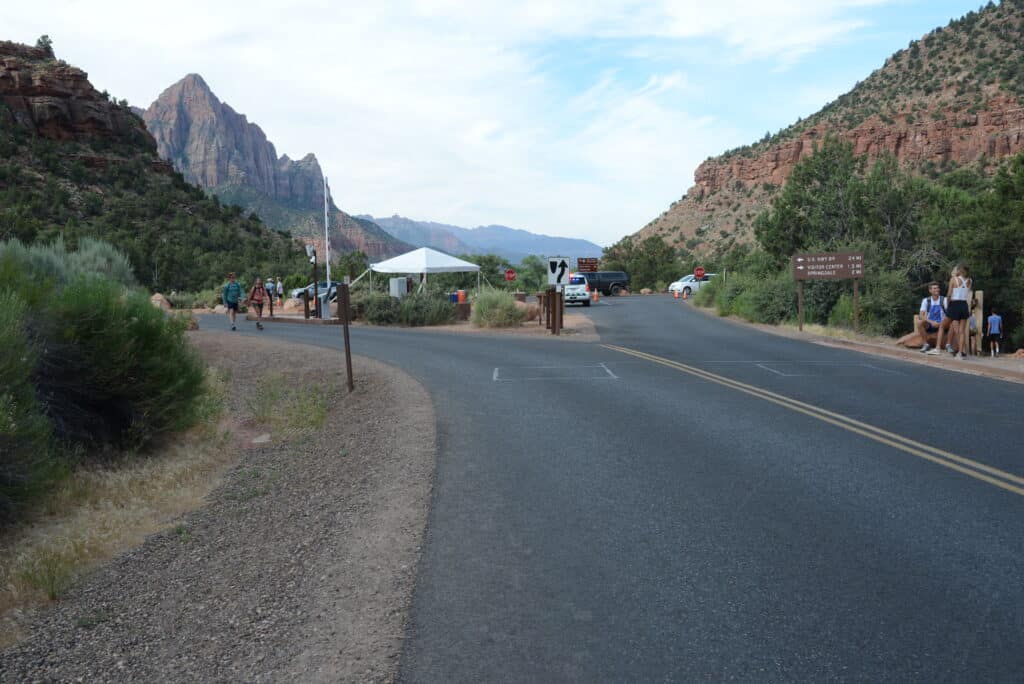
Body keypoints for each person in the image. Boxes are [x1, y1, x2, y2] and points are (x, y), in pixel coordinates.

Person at [930, 264, 972, 359]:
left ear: (959, 270)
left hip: (954, 304)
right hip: (964, 305)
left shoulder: (954, 279)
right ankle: (960, 353)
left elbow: (949, 294)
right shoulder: (970, 281)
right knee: (961, 331)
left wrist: (948, 305)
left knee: (942, 326)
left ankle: (937, 349)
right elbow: (968, 295)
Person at [916, 282, 949, 353]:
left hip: (942, 323)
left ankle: (938, 348)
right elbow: (921, 315)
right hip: (930, 323)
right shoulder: (926, 300)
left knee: (943, 325)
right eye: (934, 288)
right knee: (919, 322)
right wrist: (931, 322)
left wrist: (941, 323)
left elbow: (948, 314)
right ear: (930, 290)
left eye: (937, 288)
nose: (937, 290)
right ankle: (925, 344)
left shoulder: (944, 300)